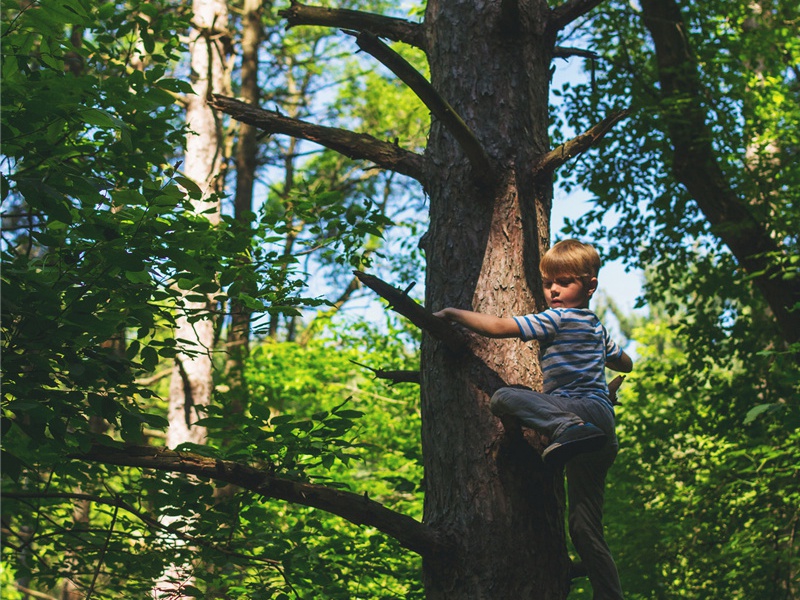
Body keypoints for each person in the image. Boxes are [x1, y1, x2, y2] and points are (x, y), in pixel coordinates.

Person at [433, 239, 633, 599]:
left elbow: (496, 326)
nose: (554, 290)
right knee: (586, 530)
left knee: (503, 397)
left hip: (578, 414)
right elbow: (626, 362)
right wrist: (612, 363)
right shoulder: (597, 327)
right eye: (548, 283)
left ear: (590, 286)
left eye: (565, 282)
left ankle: (565, 428)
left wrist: (452, 313)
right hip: (604, 425)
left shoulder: (557, 318)